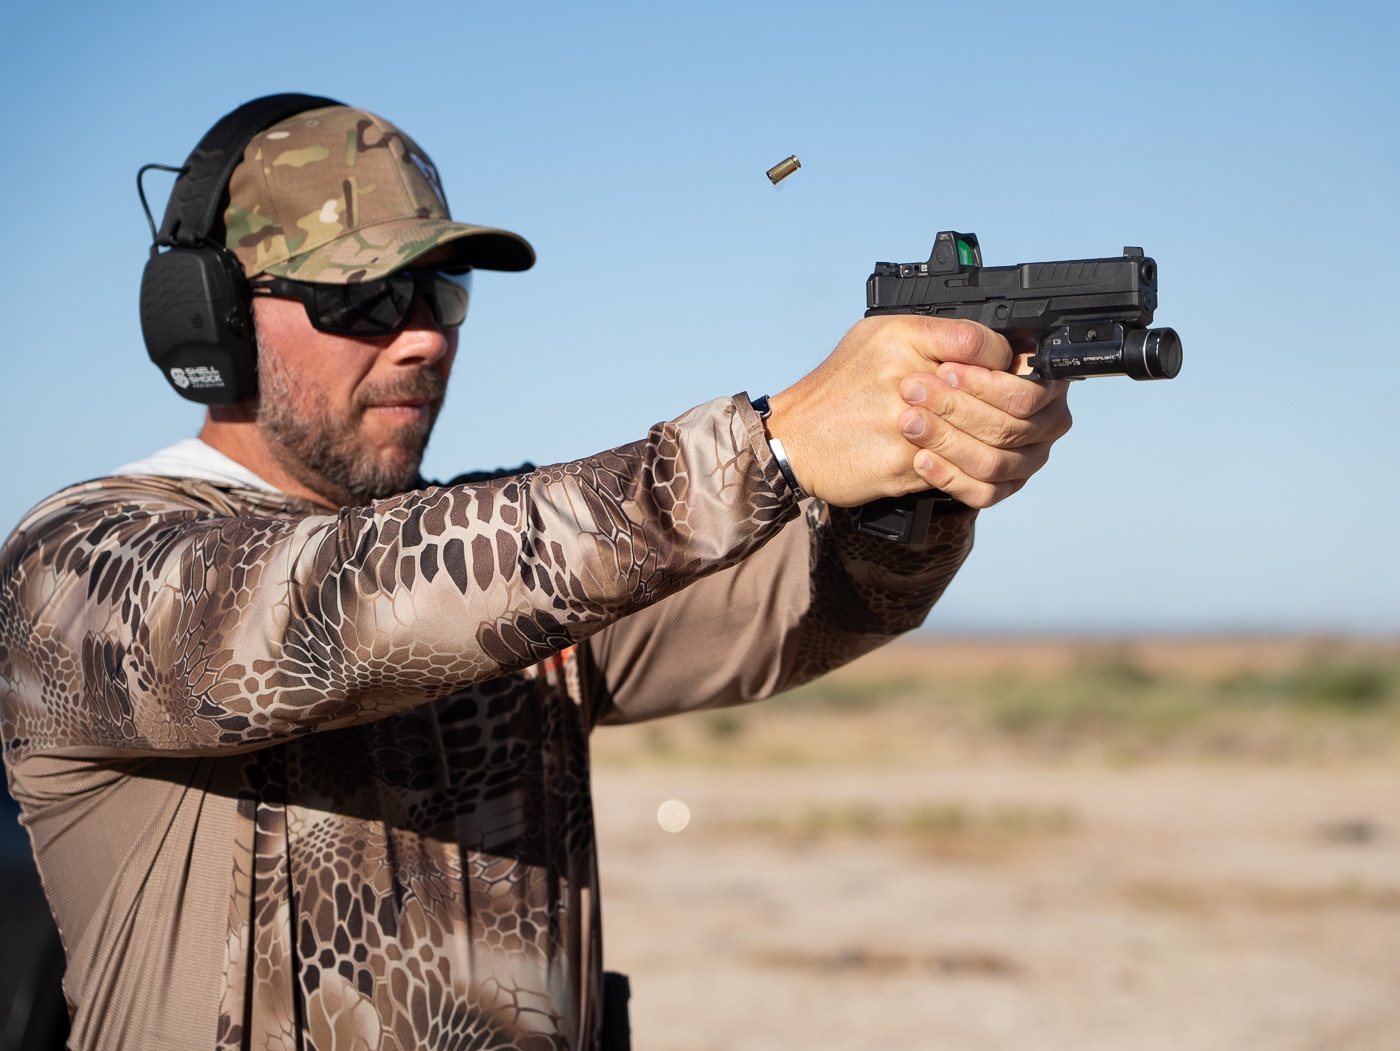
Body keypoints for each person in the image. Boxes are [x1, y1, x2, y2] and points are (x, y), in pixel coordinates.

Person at [0, 96, 1071, 1051]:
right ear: (211, 315)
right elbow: (333, 606)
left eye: (440, 289)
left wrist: (913, 480)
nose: (421, 337)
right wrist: (771, 444)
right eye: (364, 299)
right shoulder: (75, 570)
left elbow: (788, 605)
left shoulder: (529, 582)